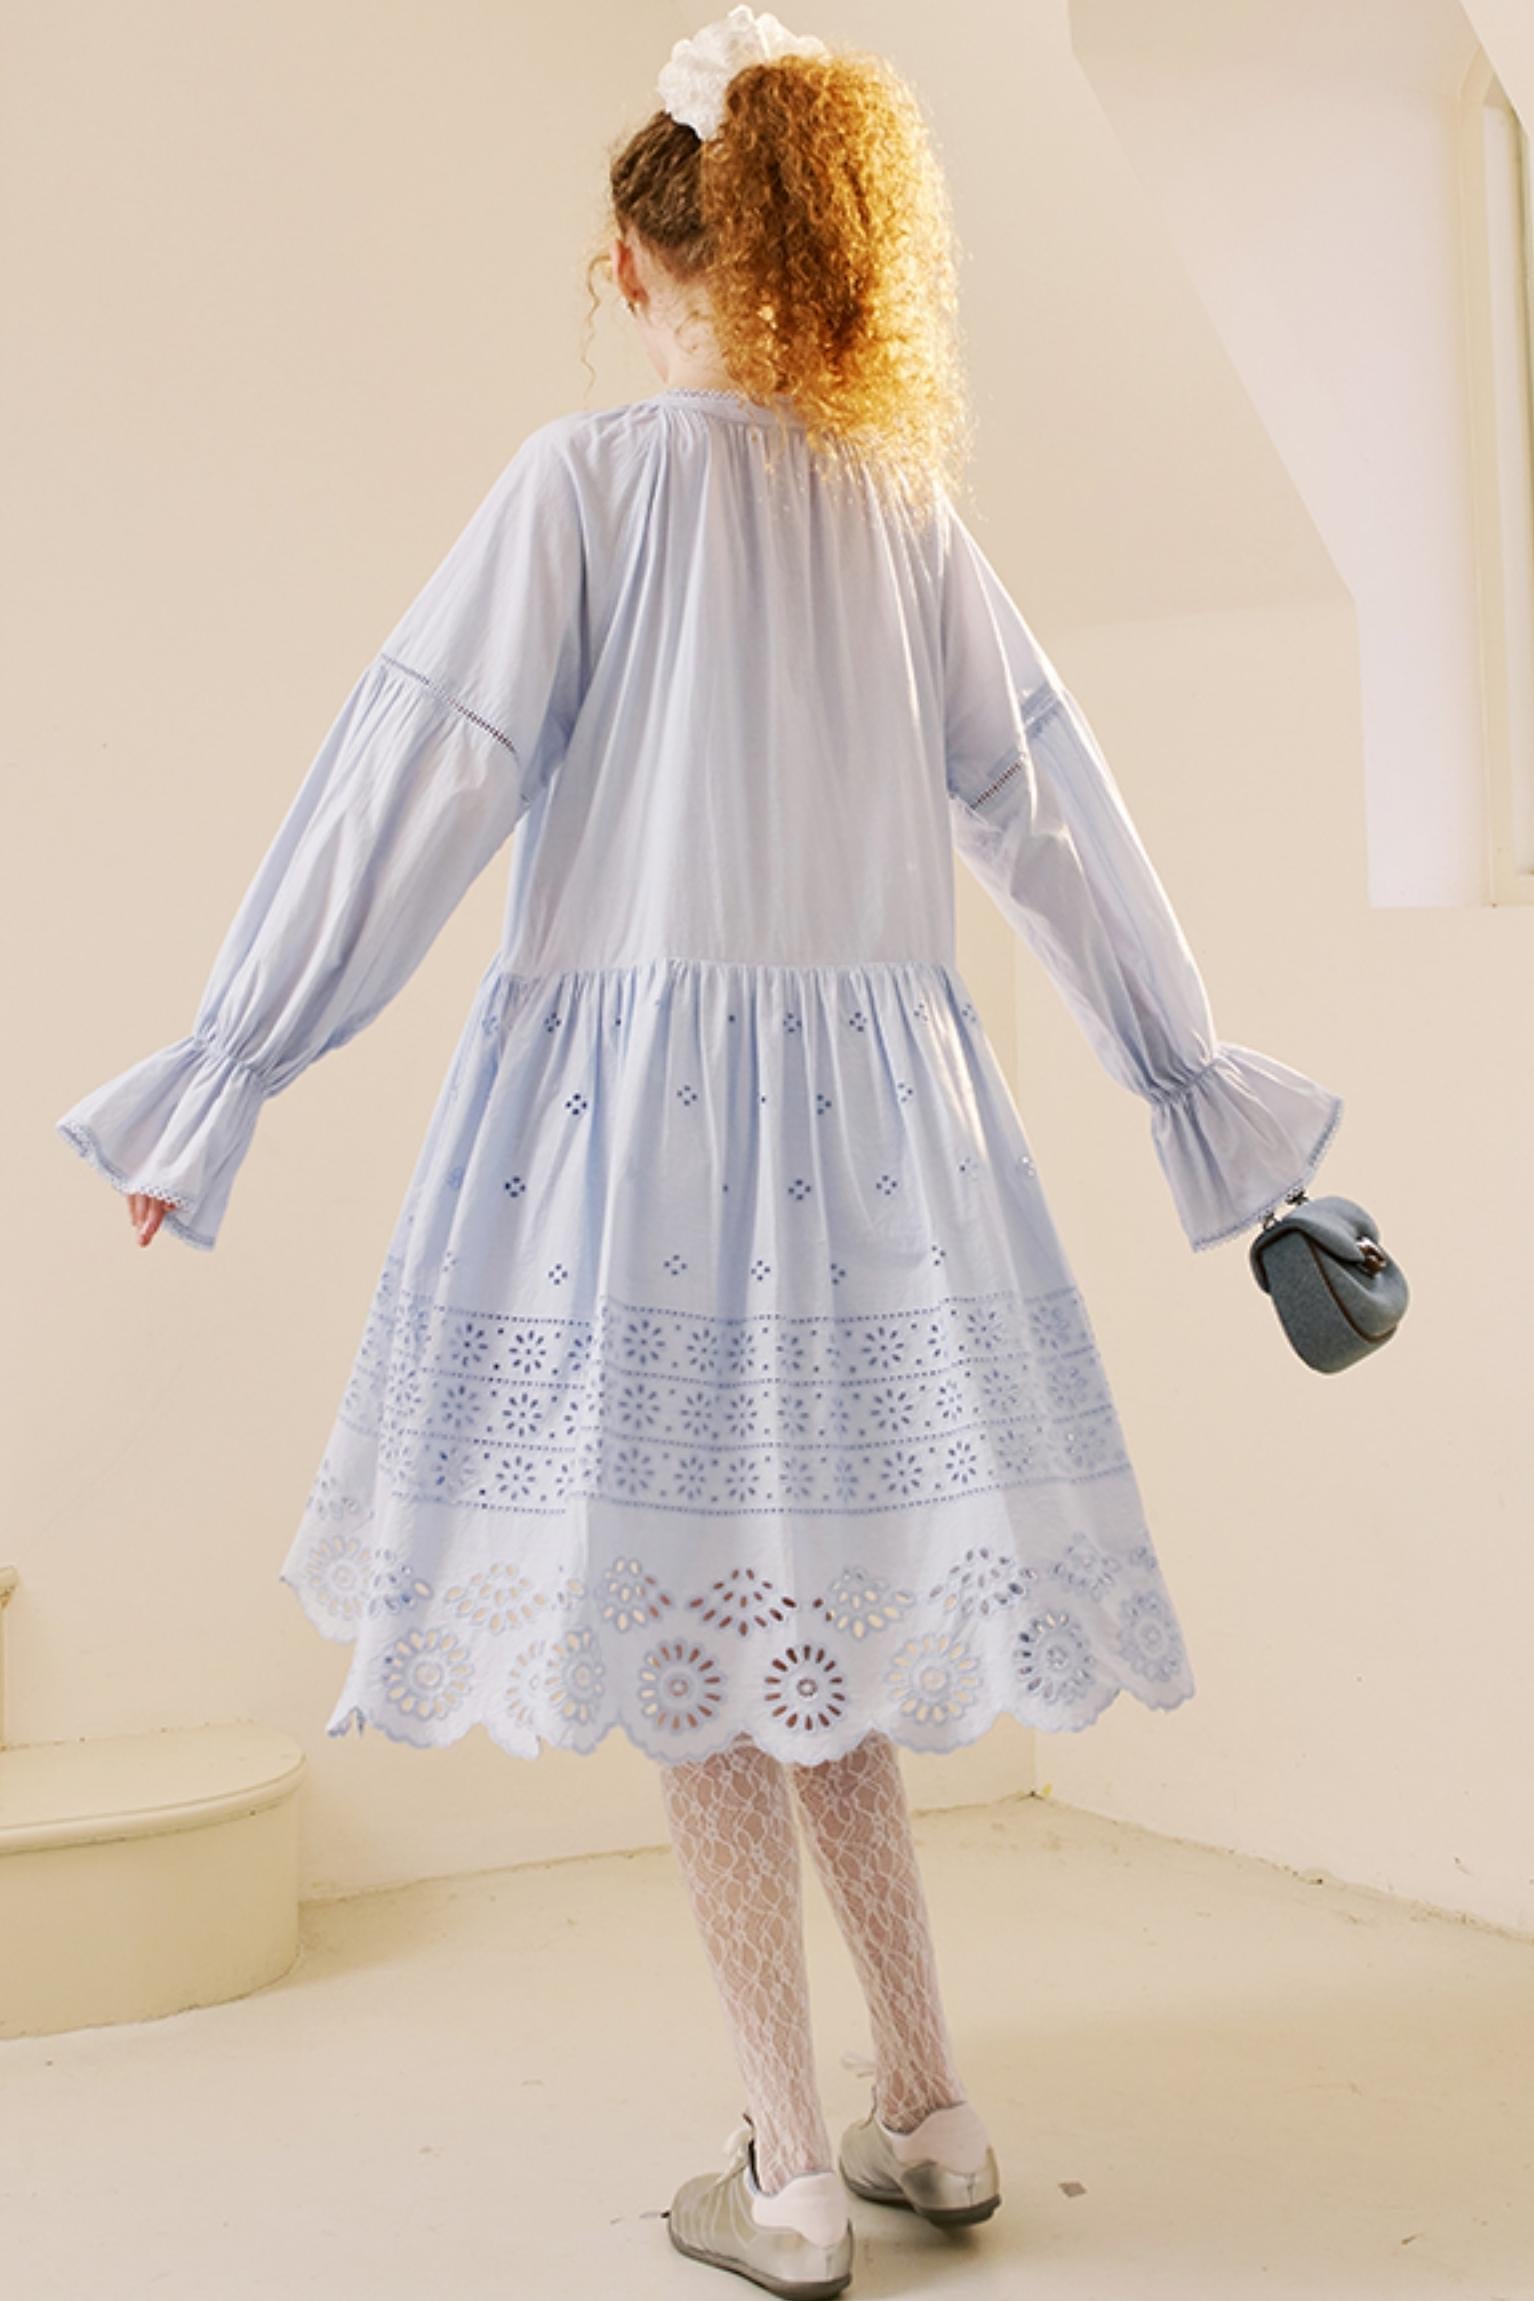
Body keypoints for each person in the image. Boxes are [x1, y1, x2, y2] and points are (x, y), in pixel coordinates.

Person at [54, 8, 1344, 2293]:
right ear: (832, 264)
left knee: (695, 1652)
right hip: (879, 1161)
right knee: (808, 1637)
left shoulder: (584, 486)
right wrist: (1198, 1106)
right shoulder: (897, 507)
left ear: (632, 263)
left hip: (634, 1158)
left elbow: (418, 779)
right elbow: (1047, 815)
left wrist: (230, 1063)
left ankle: (781, 2167)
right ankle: (927, 2109)